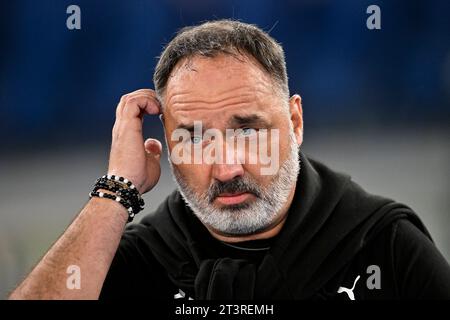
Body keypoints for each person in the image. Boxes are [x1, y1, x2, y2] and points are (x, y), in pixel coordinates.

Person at [9, 19, 450, 300]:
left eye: (248, 131)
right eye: (195, 139)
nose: (227, 168)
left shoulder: (382, 245)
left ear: (295, 121)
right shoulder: (140, 262)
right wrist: (115, 190)